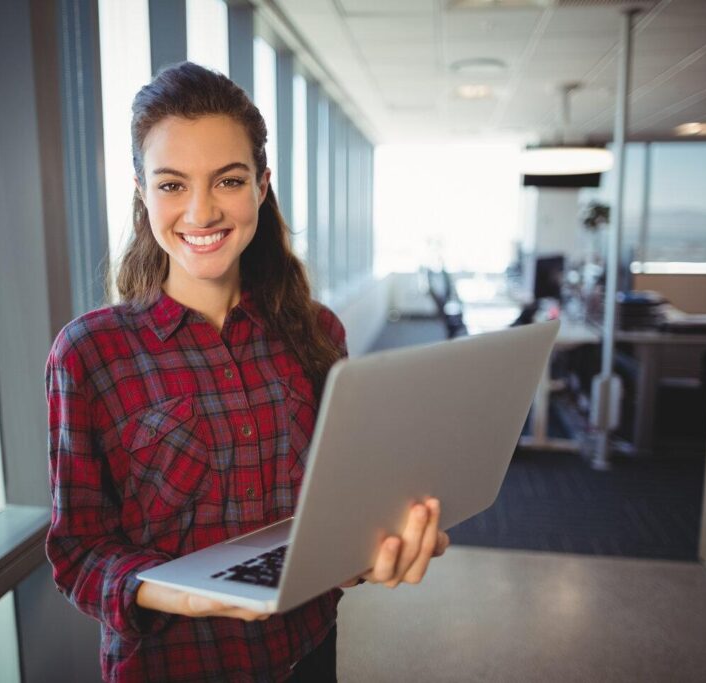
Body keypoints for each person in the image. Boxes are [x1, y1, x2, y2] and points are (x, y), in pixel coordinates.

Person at [45, 62, 449, 682]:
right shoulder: (91, 354)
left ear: (261, 185)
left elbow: (329, 509)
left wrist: (373, 547)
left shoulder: (316, 333)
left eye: (227, 180)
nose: (201, 212)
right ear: (141, 192)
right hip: (171, 666)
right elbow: (77, 552)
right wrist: (173, 592)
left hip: (308, 648)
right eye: (173, 185)